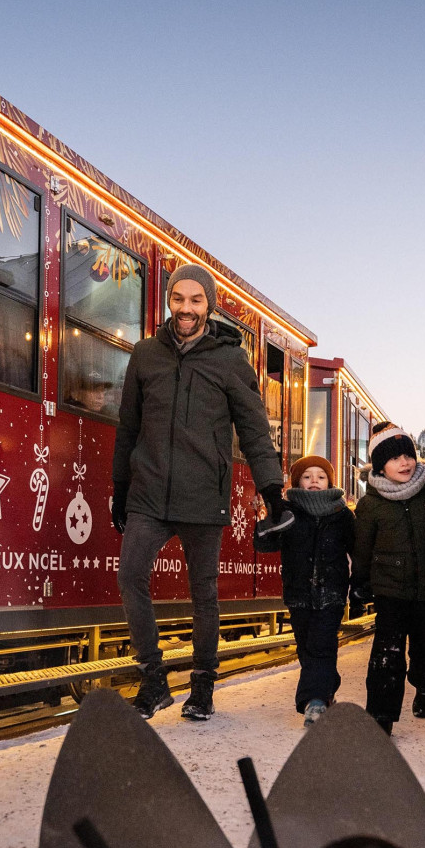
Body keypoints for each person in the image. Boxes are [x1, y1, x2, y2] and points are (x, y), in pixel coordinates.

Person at [114, 263, 287, 720]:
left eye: (195, 300)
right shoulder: (145, 354)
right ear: (169, 301)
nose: (186, 309)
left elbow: (253, 430)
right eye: (178, 299)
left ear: (208, 304)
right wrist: (119, 485)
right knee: (130, 577)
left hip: (203, 495)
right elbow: (128, 426)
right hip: (148, 491)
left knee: (203, 594)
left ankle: (203, 686)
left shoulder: (229, 359)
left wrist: (272, 489)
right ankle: (153, 681)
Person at [352, 426, 425, 732]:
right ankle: (381, 715)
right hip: (390, 589)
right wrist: (360, 581)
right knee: (387, 653)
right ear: (381, 466)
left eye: (408, 454)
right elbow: (362, 546)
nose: (405, 462)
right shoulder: (371, 504)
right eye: (395, 459)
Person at [255, 454, 355, 726]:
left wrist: (362, 584)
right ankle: (326, 686)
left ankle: (314, 702)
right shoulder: (287, 513)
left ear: (329, 482)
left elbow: (357, 549)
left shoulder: (342, 514)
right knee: (306, 648)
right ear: (297, 481)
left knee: (321, 645)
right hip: (298, 593)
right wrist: (266, 520)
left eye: (321, 477)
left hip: (332, 592)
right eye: (307, 476)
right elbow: (265, 545)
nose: (314, 481)